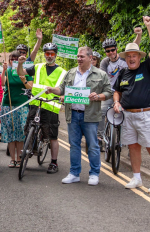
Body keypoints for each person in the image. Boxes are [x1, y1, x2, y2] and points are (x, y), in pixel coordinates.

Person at [46, 46, 112, 185]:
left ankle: (94, 174)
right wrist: (53, 90)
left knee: (93, 146)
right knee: (74, 145)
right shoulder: (70, 73)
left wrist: (98, 96)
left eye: (82, 56)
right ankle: (74, 173)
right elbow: (62, 89)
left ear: (90, 57)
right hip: (73, 115)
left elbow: (108, 92)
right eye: (78, 56)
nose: (79, 59)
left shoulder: (100, 74)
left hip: (91, 116)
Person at [113, 16, 150, 194]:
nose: (131, 58)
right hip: (128, 115)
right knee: (133, 146)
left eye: (134, 55)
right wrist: (117, 102)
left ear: (139, 57)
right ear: (126, 58)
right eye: (128, 56)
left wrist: (149, 26)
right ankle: (136, 177)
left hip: (146, 114)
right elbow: (117, 91)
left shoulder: (147, 67)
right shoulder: (123, 73)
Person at [17, 43, 67, 174]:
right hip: (36, 103)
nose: (49, 56)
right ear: (44, 54)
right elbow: (20, 73)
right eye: (47, 53)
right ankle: (28, 149)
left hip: (51, 106)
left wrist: (62, 96)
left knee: (52, 136)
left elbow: (65, 89)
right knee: (29, 128)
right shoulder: (37, 67)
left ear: (55, 55)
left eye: (52, 53)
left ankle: (54, 162)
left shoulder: (63, 72)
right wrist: (20, 64)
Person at [98, 27, 142, 147]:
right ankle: (100, 136)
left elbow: (134, 47)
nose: (111, 52)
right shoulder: (105, 63)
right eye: (108, 51)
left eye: (112, 50)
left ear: (116, 49)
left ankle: (129, 142)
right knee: (101, 111)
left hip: (125, 92)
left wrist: (138, 35)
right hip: (111, 91)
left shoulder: (124, 58)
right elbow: (103, 78)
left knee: (128, 116)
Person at [1, 50, 33, 168]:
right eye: (12, 59)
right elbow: (2, 83)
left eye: (16, 59)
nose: (14, 61)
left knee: (20, 132)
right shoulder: (8, 71)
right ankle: (12, 159)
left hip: (22, 104)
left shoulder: (26, 71)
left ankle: (19, 159)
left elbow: (31, 87)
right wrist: (4, 70)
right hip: (7, 104)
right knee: (10, 132)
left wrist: (23, 79)